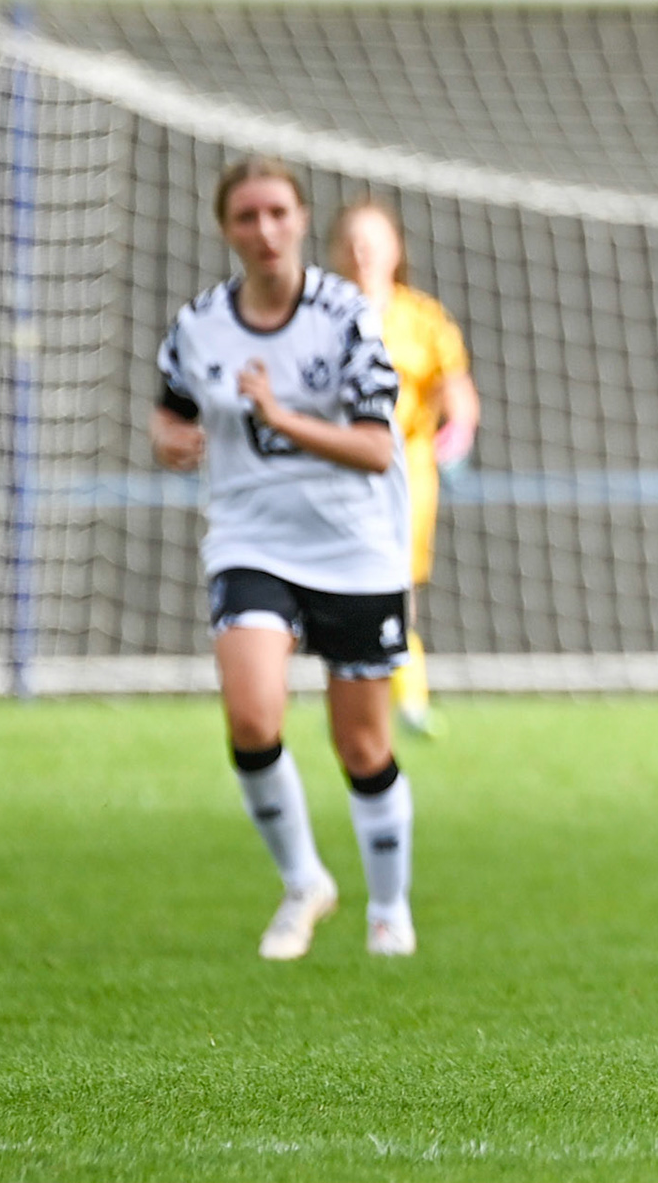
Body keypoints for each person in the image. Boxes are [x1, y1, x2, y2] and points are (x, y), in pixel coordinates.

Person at [151, 157, 419, 960]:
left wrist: (279, 416)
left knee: (361, 746)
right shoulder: (199, 325)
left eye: (277, 213)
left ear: (301, 220)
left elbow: (375, 449)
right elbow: (169, 412)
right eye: (247, 216)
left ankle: (389, 910)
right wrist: (170, 442)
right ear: (225, 229)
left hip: (354, 546)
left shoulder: (346, 317)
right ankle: (304, 882)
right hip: (252, 540)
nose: (264, 230)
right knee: (252, 717)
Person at [327, 199, 479, 737]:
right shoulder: (320, 315)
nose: (362, 251)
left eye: (373, 240)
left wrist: (456, 433)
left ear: (396, 250)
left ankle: (408, 699)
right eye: (352, 240)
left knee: (394, 583)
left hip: (404, 472)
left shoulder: (424, 319)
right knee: (345, 586)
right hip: (335, 468)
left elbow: (456, 389)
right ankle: (359, 686)